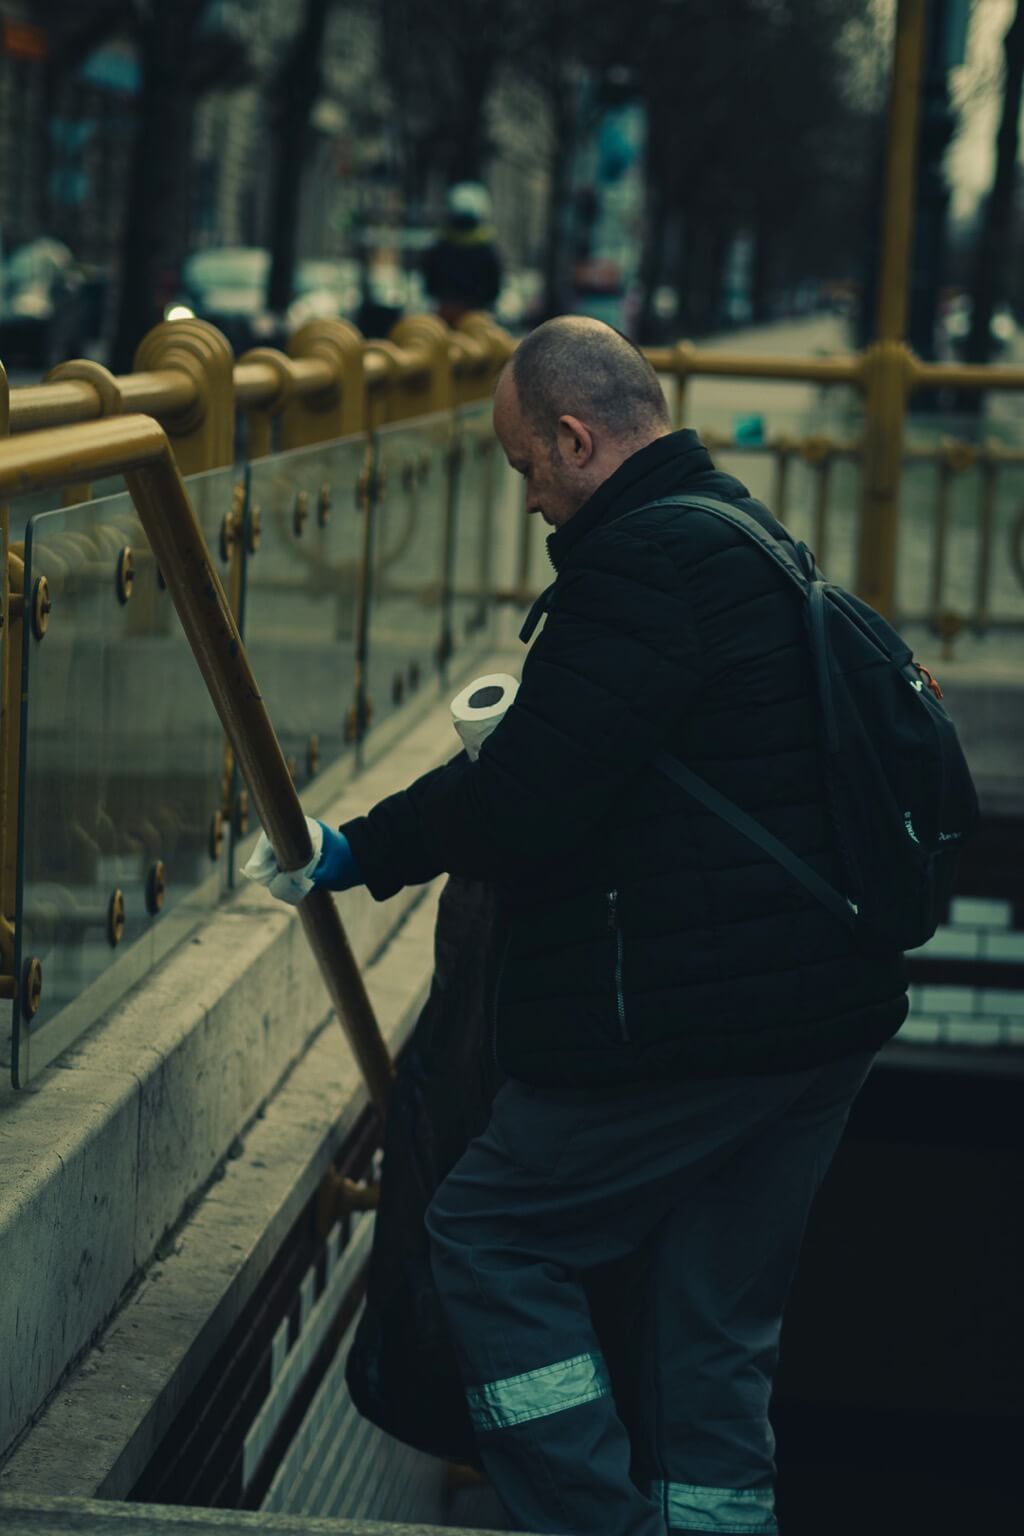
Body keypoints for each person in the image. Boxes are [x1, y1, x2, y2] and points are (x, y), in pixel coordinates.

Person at [246, 317, 908, 1536]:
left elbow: (526, 798)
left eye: (526, 468)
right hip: (825, 1018)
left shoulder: (639, 565)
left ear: (574, 436)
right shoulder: (740, 531)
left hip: (714, 1014)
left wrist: (356, 850)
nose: (531, 499)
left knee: (489, 1234)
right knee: (712, 1320)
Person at [422, 181, 502, 326]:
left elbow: (429, 282)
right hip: (476, 316)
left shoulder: (441, 245)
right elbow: (493, 287)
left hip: (445, 313)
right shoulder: (486, 248)